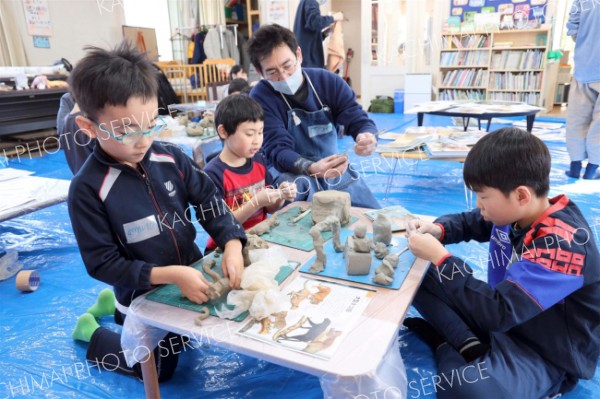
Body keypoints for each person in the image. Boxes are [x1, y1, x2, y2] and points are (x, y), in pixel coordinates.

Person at [66, 42, 247, 381]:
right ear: (88, 127)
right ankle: (92, 330)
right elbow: (102, 262)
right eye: (124, 130)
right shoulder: (88, 189)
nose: (142, 140)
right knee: (158, 367)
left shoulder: (171, 158)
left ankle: (112, 309)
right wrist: (172, 275)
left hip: (189, 275)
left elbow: (209, 200)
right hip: (141, 293)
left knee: (200, 332)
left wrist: (232, 241)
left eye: (150, 123)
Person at [403, 127, 600, 398]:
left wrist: (441, 257)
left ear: (521, 195)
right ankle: (468, 344)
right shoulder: (519, 213)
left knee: (467, 390)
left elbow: (499, 312)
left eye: (483, 197)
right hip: (505, 318)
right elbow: (472, 221)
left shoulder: (563, 247)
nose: (479, 205)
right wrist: (439, 230)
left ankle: (445, 342)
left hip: (546, 351)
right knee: (416, 272)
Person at [247, 24, 380, 209]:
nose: (284, 76)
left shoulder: (328, 82)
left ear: (298, 55)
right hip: (290, 172)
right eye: (272, 72)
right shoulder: (260, 97)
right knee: (299, 210)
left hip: (331, 166)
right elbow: (277, 148)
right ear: (260, 72)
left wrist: (366, 135)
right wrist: (311, 168)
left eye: (287, 66)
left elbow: (356, 117)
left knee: (369, 213)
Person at [203, 95, 297, 252]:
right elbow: (221, 223)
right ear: (224, 132)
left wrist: (280, 196)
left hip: (258, 239)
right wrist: (255, 202)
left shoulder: (259, 161)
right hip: (224, 248)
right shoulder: (213, 174)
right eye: (249, 134)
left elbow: (270, 209)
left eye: (260, 132)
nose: (257, 140)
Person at [565, 0, 600, 179]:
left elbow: (573, 26)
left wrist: (588, 44)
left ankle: (575, 166)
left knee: (577, 118)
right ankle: (592, 169)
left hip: (585, 66)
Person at [293, 0, 343, 69]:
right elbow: (315, 22)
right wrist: (334, 17)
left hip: (305, 61)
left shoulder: (304, 3)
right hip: (310, 63)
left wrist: (326, 32)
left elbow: (309, 36)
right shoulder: (311, 1)